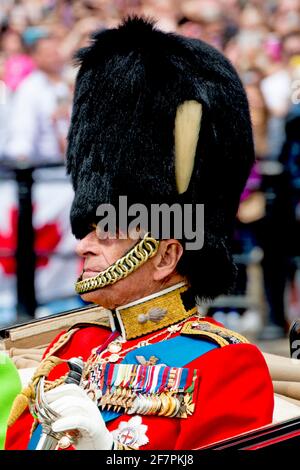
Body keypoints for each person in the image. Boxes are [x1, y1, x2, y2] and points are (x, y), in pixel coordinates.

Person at [5, 17, 274, 451]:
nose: (82, 244)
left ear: (166, 255)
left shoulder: (224, 363)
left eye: (104, 229)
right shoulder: (76, 342)